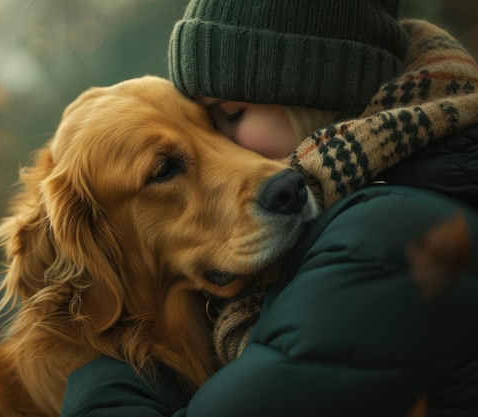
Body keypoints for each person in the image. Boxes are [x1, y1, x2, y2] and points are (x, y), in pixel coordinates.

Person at [60, 0, 478, 416]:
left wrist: (93, 372)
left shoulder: (386, 236)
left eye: (230, 115)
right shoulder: (387, 196)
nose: (236, 160)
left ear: (309, 93)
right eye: (170, 165)